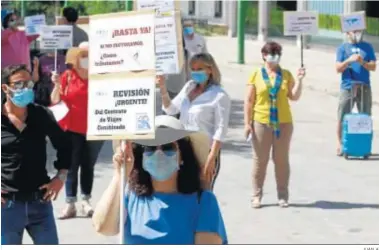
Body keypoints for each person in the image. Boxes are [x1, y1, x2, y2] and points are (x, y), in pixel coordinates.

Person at [92, 115, 228, 244]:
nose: (159, 153)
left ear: (182, 157)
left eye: (168, 147)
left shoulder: (203, 202)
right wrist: (119, 175)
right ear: (142, 157)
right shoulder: (129, 196)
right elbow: (103, 227)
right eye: (151, 147)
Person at [1, 64, 71, 244]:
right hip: (6, 206)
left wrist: (60, 177)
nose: (25, 88)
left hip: (40, 203)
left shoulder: (40, 114)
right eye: (18, 84)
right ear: (5, 88)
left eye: (28, 84)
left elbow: (65, 145)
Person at [244, 41, 305, 208]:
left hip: (283, 123)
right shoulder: (256, 74)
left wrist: (299, 81)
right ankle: (256, 195)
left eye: (277, 54)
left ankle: (283, 195)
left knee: (281, 160)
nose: (274, 57)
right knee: (260, 160)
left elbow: (294, 96)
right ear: (264, 55)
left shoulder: (285, 74)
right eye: (271, 54)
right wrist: (247, 123)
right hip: (261, 122)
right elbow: (249, 101)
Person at [159, 53, 231, 190]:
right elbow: (170, 109)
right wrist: (162, 87)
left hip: (205, 151)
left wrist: (211, 158)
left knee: (203, 193)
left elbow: (220, 130)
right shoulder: (189, 87)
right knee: (183, 191)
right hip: (184, 148)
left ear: (210, 69)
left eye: (199, 69)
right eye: (193, 69)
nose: (195, 72)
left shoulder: (219, 95)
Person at [51, 44, 103, 219]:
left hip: (96, 128)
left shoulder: (99, 77)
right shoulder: (67, 77)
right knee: (72, 167)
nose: (86, 58)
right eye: (83, 55)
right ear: (76, 58)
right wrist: (57, 85)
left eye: (89, 54)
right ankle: (70, 203)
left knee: (88, 165)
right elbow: (55, 100)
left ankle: (86, 201)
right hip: (72, 129)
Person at [335, 29, 377, 156]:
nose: (356, 33)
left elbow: (373, 66)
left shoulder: (367, 47)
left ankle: (365, 144)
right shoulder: (343, 48)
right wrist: (349, 60)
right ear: (348, 33)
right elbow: (338, 68)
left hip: (364, 86)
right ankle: (340, 143)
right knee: (342, 115)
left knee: (366, 115)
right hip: (348, 86)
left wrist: (362, 62)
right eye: (353, 31)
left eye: (358, 31)